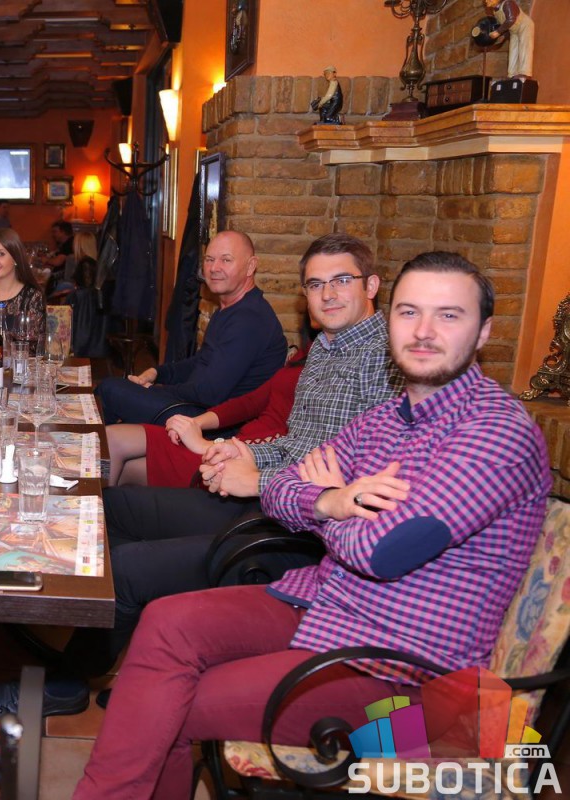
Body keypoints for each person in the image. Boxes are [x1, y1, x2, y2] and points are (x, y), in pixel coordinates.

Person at [74, 251, 551, 799]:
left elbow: (382, 551)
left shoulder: (495, 434)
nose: (423, 331)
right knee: (165, 622)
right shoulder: (388, 418)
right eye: (409, 312)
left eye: (448, 315)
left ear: (483, 331)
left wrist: (324, 506)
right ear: (391, 320)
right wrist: (331, 501)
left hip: (406, 674)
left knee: (174, 704)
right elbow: (282, 485)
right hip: (328, 607)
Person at [0, 233, 397, 718]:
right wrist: (231, 451)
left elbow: (343, 480)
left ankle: (70, 682)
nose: (327, 294)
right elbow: (297, 446)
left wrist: (255, 477)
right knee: (111, 508)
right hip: (269, 500)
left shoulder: (384, 361)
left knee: (129, 567)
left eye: (341, 281)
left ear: (371, 285)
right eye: (316, 284)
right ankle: (120, 643)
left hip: (301, 535)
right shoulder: (326, 346)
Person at [94, 231, 286, 425]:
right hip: (198, 408)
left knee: (109, 390)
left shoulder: (249, 319)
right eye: (209, 259)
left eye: (226, 260)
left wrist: (155, 390)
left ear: (251, 266)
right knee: (115, 391)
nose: (214, 268)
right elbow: (200, 362)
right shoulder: (230, 309)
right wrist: (157, 373)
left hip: (217, 423)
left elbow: (209, 393)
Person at [107, 344, 308, 487]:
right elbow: (249, 403)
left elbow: (289, 446)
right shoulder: (310, 351)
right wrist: (195, 423)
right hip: (232, 440)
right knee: (110, 437)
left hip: (242, 459)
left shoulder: (251, 319)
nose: (321, 298)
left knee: (125, 467)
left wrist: (207, 444)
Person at [485, 0, 534, 79]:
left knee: (524, 48)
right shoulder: (495, 12)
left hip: (524, 26)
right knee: (513, 51)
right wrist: (504, 36)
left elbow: (511, 19)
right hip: (513, 31)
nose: (486, 1)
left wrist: (498, 32)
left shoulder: (507, 4)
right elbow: (505, 25)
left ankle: (525, 73)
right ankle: (512, 74)